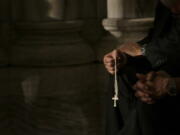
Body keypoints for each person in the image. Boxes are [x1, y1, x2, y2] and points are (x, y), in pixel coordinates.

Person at [103, 0, 180, 135]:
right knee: (121, 73)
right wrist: (124, 56)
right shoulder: (165, 6)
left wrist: (170, 84)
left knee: (147, 97)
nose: (174, 9)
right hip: (169, 69)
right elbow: (157, 40)